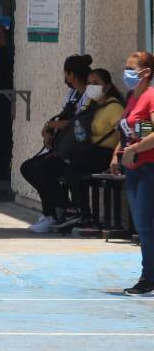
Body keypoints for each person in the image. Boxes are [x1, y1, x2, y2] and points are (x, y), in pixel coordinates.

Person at [21, 69, 124, 233]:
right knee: (30, 167)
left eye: (96, 83)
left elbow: (122, 134)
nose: (91, 87)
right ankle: (57, 212)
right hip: (82, 151)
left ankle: (80, 214)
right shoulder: (92, 105)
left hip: (102, 154)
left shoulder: (113, 107)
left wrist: (116, 158)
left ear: (107, 86)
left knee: (70, 168)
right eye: (89, 83)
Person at [21, 54, 93, 231]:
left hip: (82, 153)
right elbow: (66, 118)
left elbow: (80, 122)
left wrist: (53, 125)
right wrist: (49, 129)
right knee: (30, 167)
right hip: (67, 148)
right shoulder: (74, 94)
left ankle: (68, 210)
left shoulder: (93, 97)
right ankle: (51, 214)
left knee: (40, 169)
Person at [111, 51, 154, 296]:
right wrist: (118, 152)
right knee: (142, 223)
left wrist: (134, 149)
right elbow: (137, 130)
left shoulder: (151, 97)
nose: (126, 72)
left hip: (149, 167)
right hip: (133, 169)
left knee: (145, 224)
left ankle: (148, 278)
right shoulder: (131, 97)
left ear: (146, 72)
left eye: (131, 68)